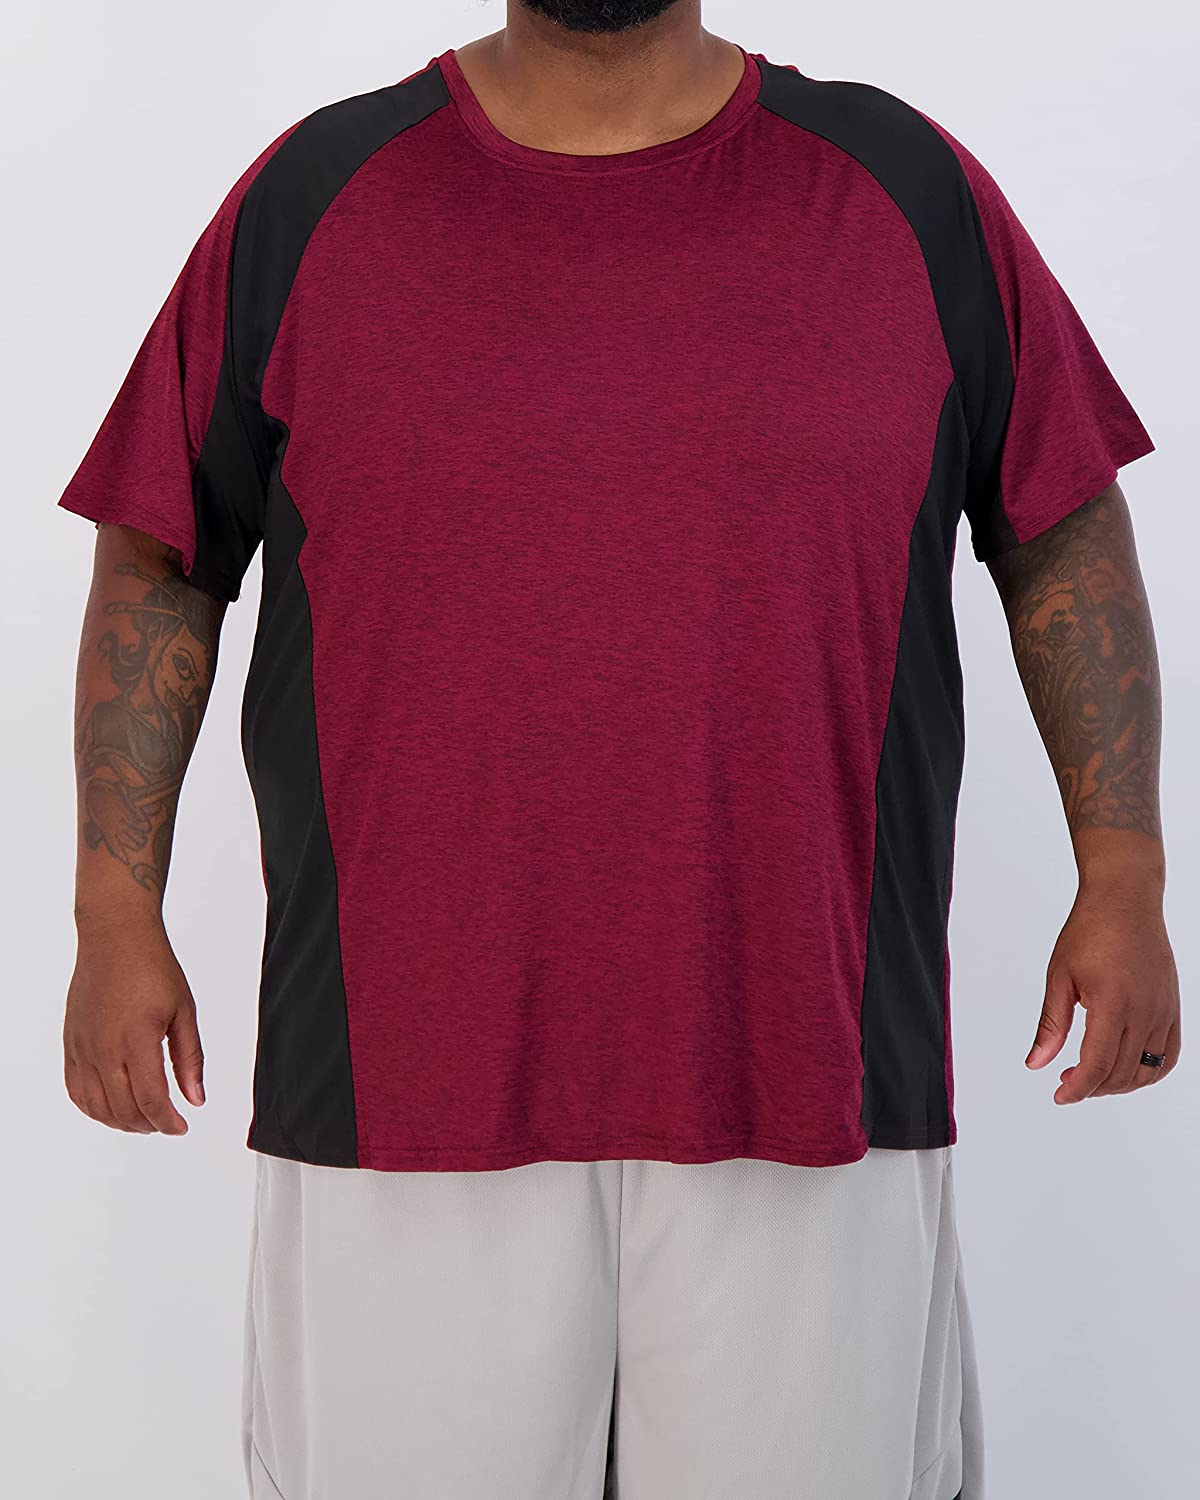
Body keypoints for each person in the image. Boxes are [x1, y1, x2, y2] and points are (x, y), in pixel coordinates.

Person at [58, 1, 1180, 1496]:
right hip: (399, 1085)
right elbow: (161, 553)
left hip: (813, 1070)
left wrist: (1125, 877)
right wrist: (114, 909)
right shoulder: (313, 199)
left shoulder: (907, 193)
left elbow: (1062, 527)